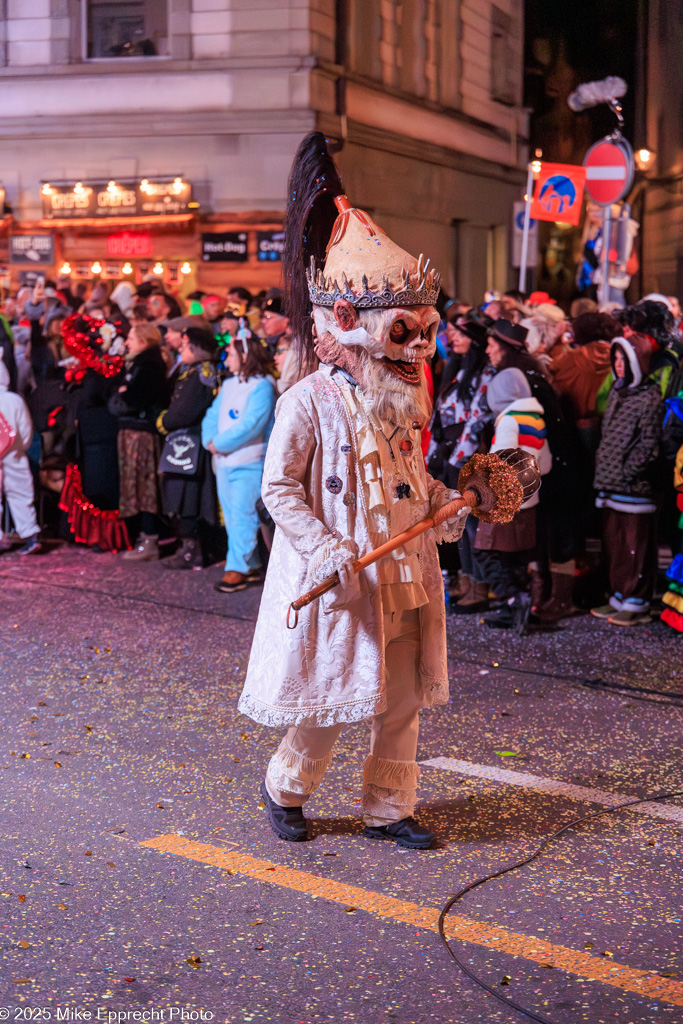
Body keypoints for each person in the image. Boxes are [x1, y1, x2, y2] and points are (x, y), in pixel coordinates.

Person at [238, 133, 475, 850]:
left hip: (405, 571)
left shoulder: (405, 400)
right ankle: (286, 789)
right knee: (332, 699)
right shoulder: (305, 401)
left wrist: (440, 501)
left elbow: (411, 475)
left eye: (425, 333)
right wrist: (324, 546)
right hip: (345, 576)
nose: (419, 353)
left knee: (398, 700)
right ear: (347, 325)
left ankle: (387, 810)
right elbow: (278, 489)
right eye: (403, 333)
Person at [590, 333, 663, 626]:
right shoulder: (619, 392)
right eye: (616, 359)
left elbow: (649, 443)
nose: (618, 365)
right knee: (616, 543)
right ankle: (619, 595)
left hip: (633, 485)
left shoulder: (650, 396)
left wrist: (628, 470)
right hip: (610, 481)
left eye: (624, 359)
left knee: (636, 545)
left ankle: (637, 601)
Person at [474, 368, 551, 633]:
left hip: (504, 501)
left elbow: (500, 464)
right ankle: (517, 607)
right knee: (515, 558)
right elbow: (547, 464)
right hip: (530, 500)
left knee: (485, 552)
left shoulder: (508, 421)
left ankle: (511, 599)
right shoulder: (536, 420)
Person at [427, 311, 495, 612]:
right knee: (456, 520)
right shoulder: (455, 369)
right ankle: (466, 582)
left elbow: (478, 418)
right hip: (447, 450)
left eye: (460, 334)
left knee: (470, 522)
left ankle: (480, 587)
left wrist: (459, 458)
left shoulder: (484, 373)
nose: (452, 338)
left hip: (468, 455)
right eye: (451, 332)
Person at [202, 322, 276, 593]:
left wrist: (219, 443)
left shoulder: (262, 386)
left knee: (244, 514)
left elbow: (252, 425)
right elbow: (212, 414)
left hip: (248, 461)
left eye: (231, 354)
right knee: (232, 516)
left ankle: (237, 568)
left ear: (245, 356)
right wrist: (209, 440)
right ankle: (251, 563)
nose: (227, 359)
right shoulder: (230, 384)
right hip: (223, 462)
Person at [157, 325, 219, 569]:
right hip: (185, 444)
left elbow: (185, 412)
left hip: (191, 445)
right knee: (181, 496)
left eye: (185, 345)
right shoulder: (190, 371)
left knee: (188, 497)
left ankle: (192, 551)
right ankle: (190, 548)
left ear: (196, 348)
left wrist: (163, 422)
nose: (181, 349)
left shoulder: (202, 372)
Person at [108, 323, 168, 561]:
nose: (126, 342)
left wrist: (123, 393)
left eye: (131, 338)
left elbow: (132, 399)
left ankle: (150, 538)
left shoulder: (149, 365)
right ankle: (144, 536)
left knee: (144, 485)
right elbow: (117, 393)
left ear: (143, 340)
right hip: (132, 431)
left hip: (141, 434)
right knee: (135, 485)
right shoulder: (137, 363)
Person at [0, 355, 41, 554]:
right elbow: (26, 429)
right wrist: (20, 448)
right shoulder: (13, 400)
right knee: (21, 493)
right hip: (13, 453)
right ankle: (30, 536)